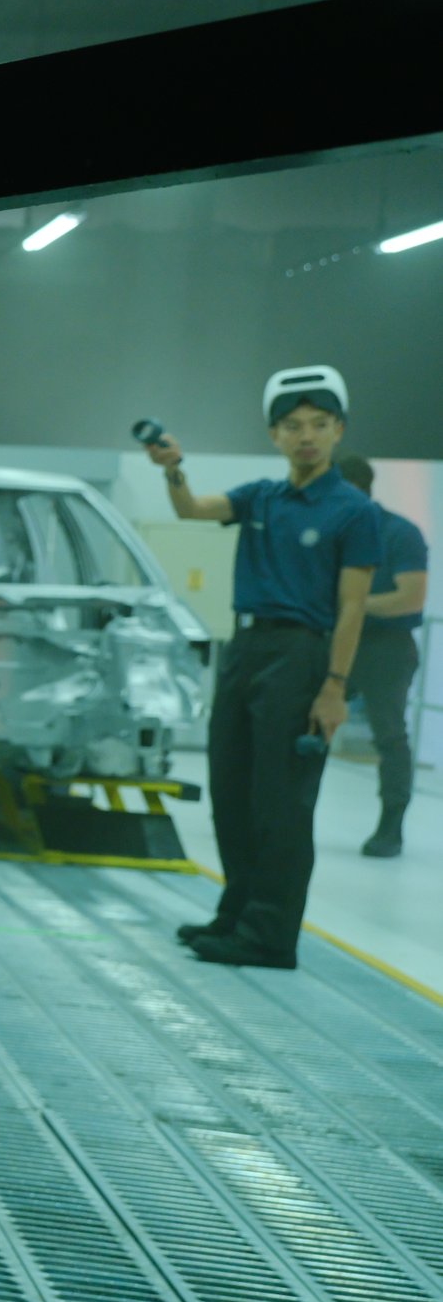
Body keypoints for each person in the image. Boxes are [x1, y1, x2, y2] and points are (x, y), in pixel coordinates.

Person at [148, 364, 378, 966]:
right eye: (293, 426)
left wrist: (334, 688)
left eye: (319, 425)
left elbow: (352, 607)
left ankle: (271, 936)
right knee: (232, 792)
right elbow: (192, 510)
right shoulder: (260, 498)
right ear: (274, 436)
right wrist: (173, 469)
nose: (307, 436)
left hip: (302, 654)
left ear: (338, 431)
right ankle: (236, 915)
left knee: (280, 802)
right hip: (245, 648)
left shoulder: (354, 512)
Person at [334, 454, 428, 857]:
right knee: (304, 723)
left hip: (384, 646)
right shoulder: (332, 533)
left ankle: (392, 825)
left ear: (356, 487)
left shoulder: (399, 533)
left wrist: (355, 603)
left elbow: (411, 597)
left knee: (389, 734)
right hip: (337, 637)